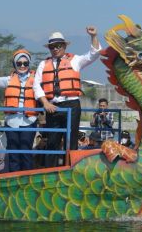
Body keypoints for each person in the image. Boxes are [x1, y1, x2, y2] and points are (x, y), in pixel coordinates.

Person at [33, 27, 101, 167]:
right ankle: (49, 171)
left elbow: (94, 54)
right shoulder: (43, 64)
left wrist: (93, 36)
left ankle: (70, 170)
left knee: (71, 141)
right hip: (53, 107)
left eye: (58, 46)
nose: (55, 49)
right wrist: (45, 103)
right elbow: (36, 85)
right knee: (52, 141)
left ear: (64, 46)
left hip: (72, 105)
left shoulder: (75, 60)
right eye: (52, 47)